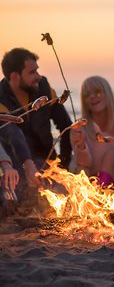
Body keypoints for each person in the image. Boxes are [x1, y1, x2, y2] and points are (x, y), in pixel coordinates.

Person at [0, 48, 72, 200]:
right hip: (16, 164)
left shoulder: (44, 89)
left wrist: (63, 165)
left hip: (46, 161)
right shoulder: (1, 98)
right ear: (15, 77)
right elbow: (13, 134)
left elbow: (66, 126)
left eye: (37, 71)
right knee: (13, 197)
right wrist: (28, 165)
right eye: (32, 72)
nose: (39, 77)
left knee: (66, 193)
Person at [70, 76, 114, 202]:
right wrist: (81, 146)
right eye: (86, 95)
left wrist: (109, 168)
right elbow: (84, 166)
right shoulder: (81, 127)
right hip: (94, 183)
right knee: (80, 170)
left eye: (97, 91)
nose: (92, 96)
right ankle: (91, 199)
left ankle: (98, 199)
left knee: (111, 156)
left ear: (107, 93)